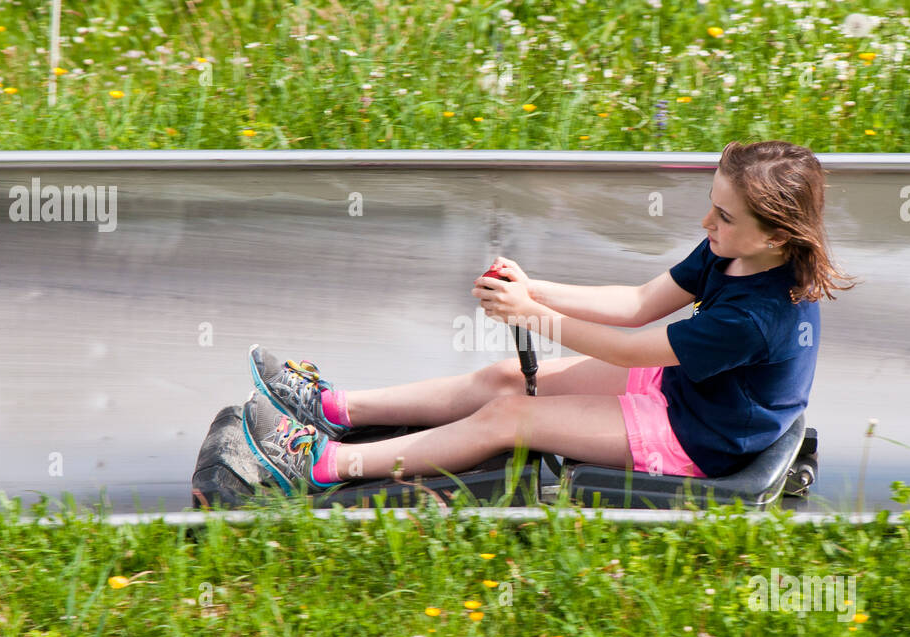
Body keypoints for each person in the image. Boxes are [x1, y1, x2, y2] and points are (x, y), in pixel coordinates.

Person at [241, 140, 857, 493]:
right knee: (501, 378)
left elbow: (631, 349)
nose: (706, 224)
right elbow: (639, 303)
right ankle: (333, 408)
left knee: (513, 416)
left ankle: (322, 466)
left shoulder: (760, 315)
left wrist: (531, 313)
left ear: (776, 235)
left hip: (698, 436)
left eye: (723, 216)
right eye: (711, 207)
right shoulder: (733, 252)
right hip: (684, 387)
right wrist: (537, 290)